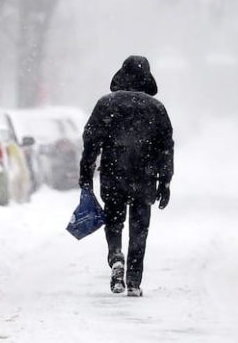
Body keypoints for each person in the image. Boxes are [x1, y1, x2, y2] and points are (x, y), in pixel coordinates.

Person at [79, 55, 174, 297]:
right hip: (144, 177)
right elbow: (166, 147)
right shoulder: (156, 108)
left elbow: (90, 141)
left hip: (113, 173)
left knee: (114, 220)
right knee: (139, 227)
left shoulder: (106, 105)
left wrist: (86, 174)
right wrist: (165, 181)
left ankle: (115, 256)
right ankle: (133, 280)